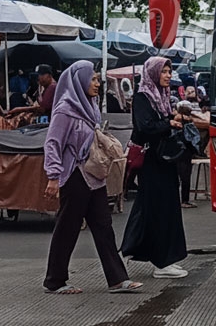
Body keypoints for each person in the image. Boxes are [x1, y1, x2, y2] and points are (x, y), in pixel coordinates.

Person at [42, 60, 142, 295]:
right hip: (74, 175)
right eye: (93, 79)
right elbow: (53, 143)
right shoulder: (65, 110)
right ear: (79, 81)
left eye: (98, 79)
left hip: (93, 175)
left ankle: (117, 279)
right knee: (67, 227)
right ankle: (55, 280)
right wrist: (53, 176)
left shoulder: (90, 107)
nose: (97, 83)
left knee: (103, 226)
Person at [120, 56, 189, 279]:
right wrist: (168, 123)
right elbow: (145, 126)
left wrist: (173, 119)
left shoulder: (162, 97)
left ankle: (140, 252)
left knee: (155, 208)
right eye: (164, 71)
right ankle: (162, 262)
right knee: (159, 209)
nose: (168, 75)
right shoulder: (143, 97)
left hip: (164, 161)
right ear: (153, 73)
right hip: (152, 162)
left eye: (169, 71)